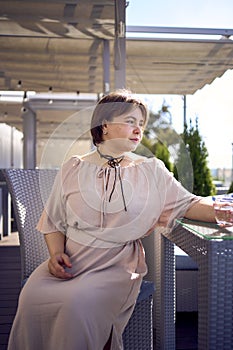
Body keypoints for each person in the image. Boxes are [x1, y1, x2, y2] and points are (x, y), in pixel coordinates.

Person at [8, 89, 215, 350]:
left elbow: (190, 203)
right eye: (130, 121)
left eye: (141, 124)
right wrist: (55, 254)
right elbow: (53, 219)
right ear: (104, 124)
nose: (138, 129)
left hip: (116, 265)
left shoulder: (151, 170)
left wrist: (221, 209)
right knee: (31, 298)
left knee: (77, 304)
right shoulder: (74, 167)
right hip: (72, 262)